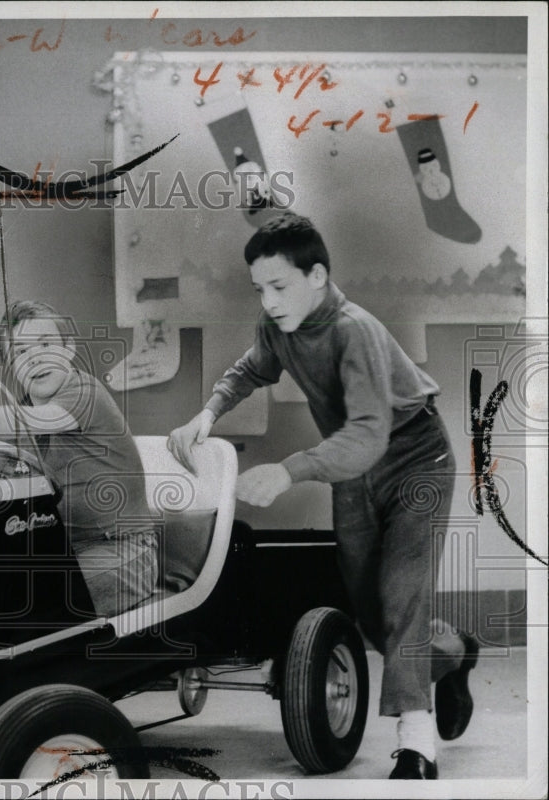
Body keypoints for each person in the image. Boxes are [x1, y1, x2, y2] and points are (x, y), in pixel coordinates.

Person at [167, 213, 479, 780]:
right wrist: (206, 415)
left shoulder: (353, 329)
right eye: (259, 288)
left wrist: (289, 470)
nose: (267, 301)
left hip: (415, 458)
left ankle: (416, 746)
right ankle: (454, 653)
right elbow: (248, 371)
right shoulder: (279, 325)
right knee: (368, 611)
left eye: (279, 286)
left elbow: (367, 436)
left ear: (317, 276)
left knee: (402, 592)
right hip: (353, 468)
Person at [0, 300, 158, 618]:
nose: (34, 357)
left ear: (69, 349)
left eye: (45, 344)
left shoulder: (85, 392)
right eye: (19, 352)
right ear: (11, 367)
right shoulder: (20, 421)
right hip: (57, 549)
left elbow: (35, 420)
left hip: (124, 549)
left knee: (32, 598)